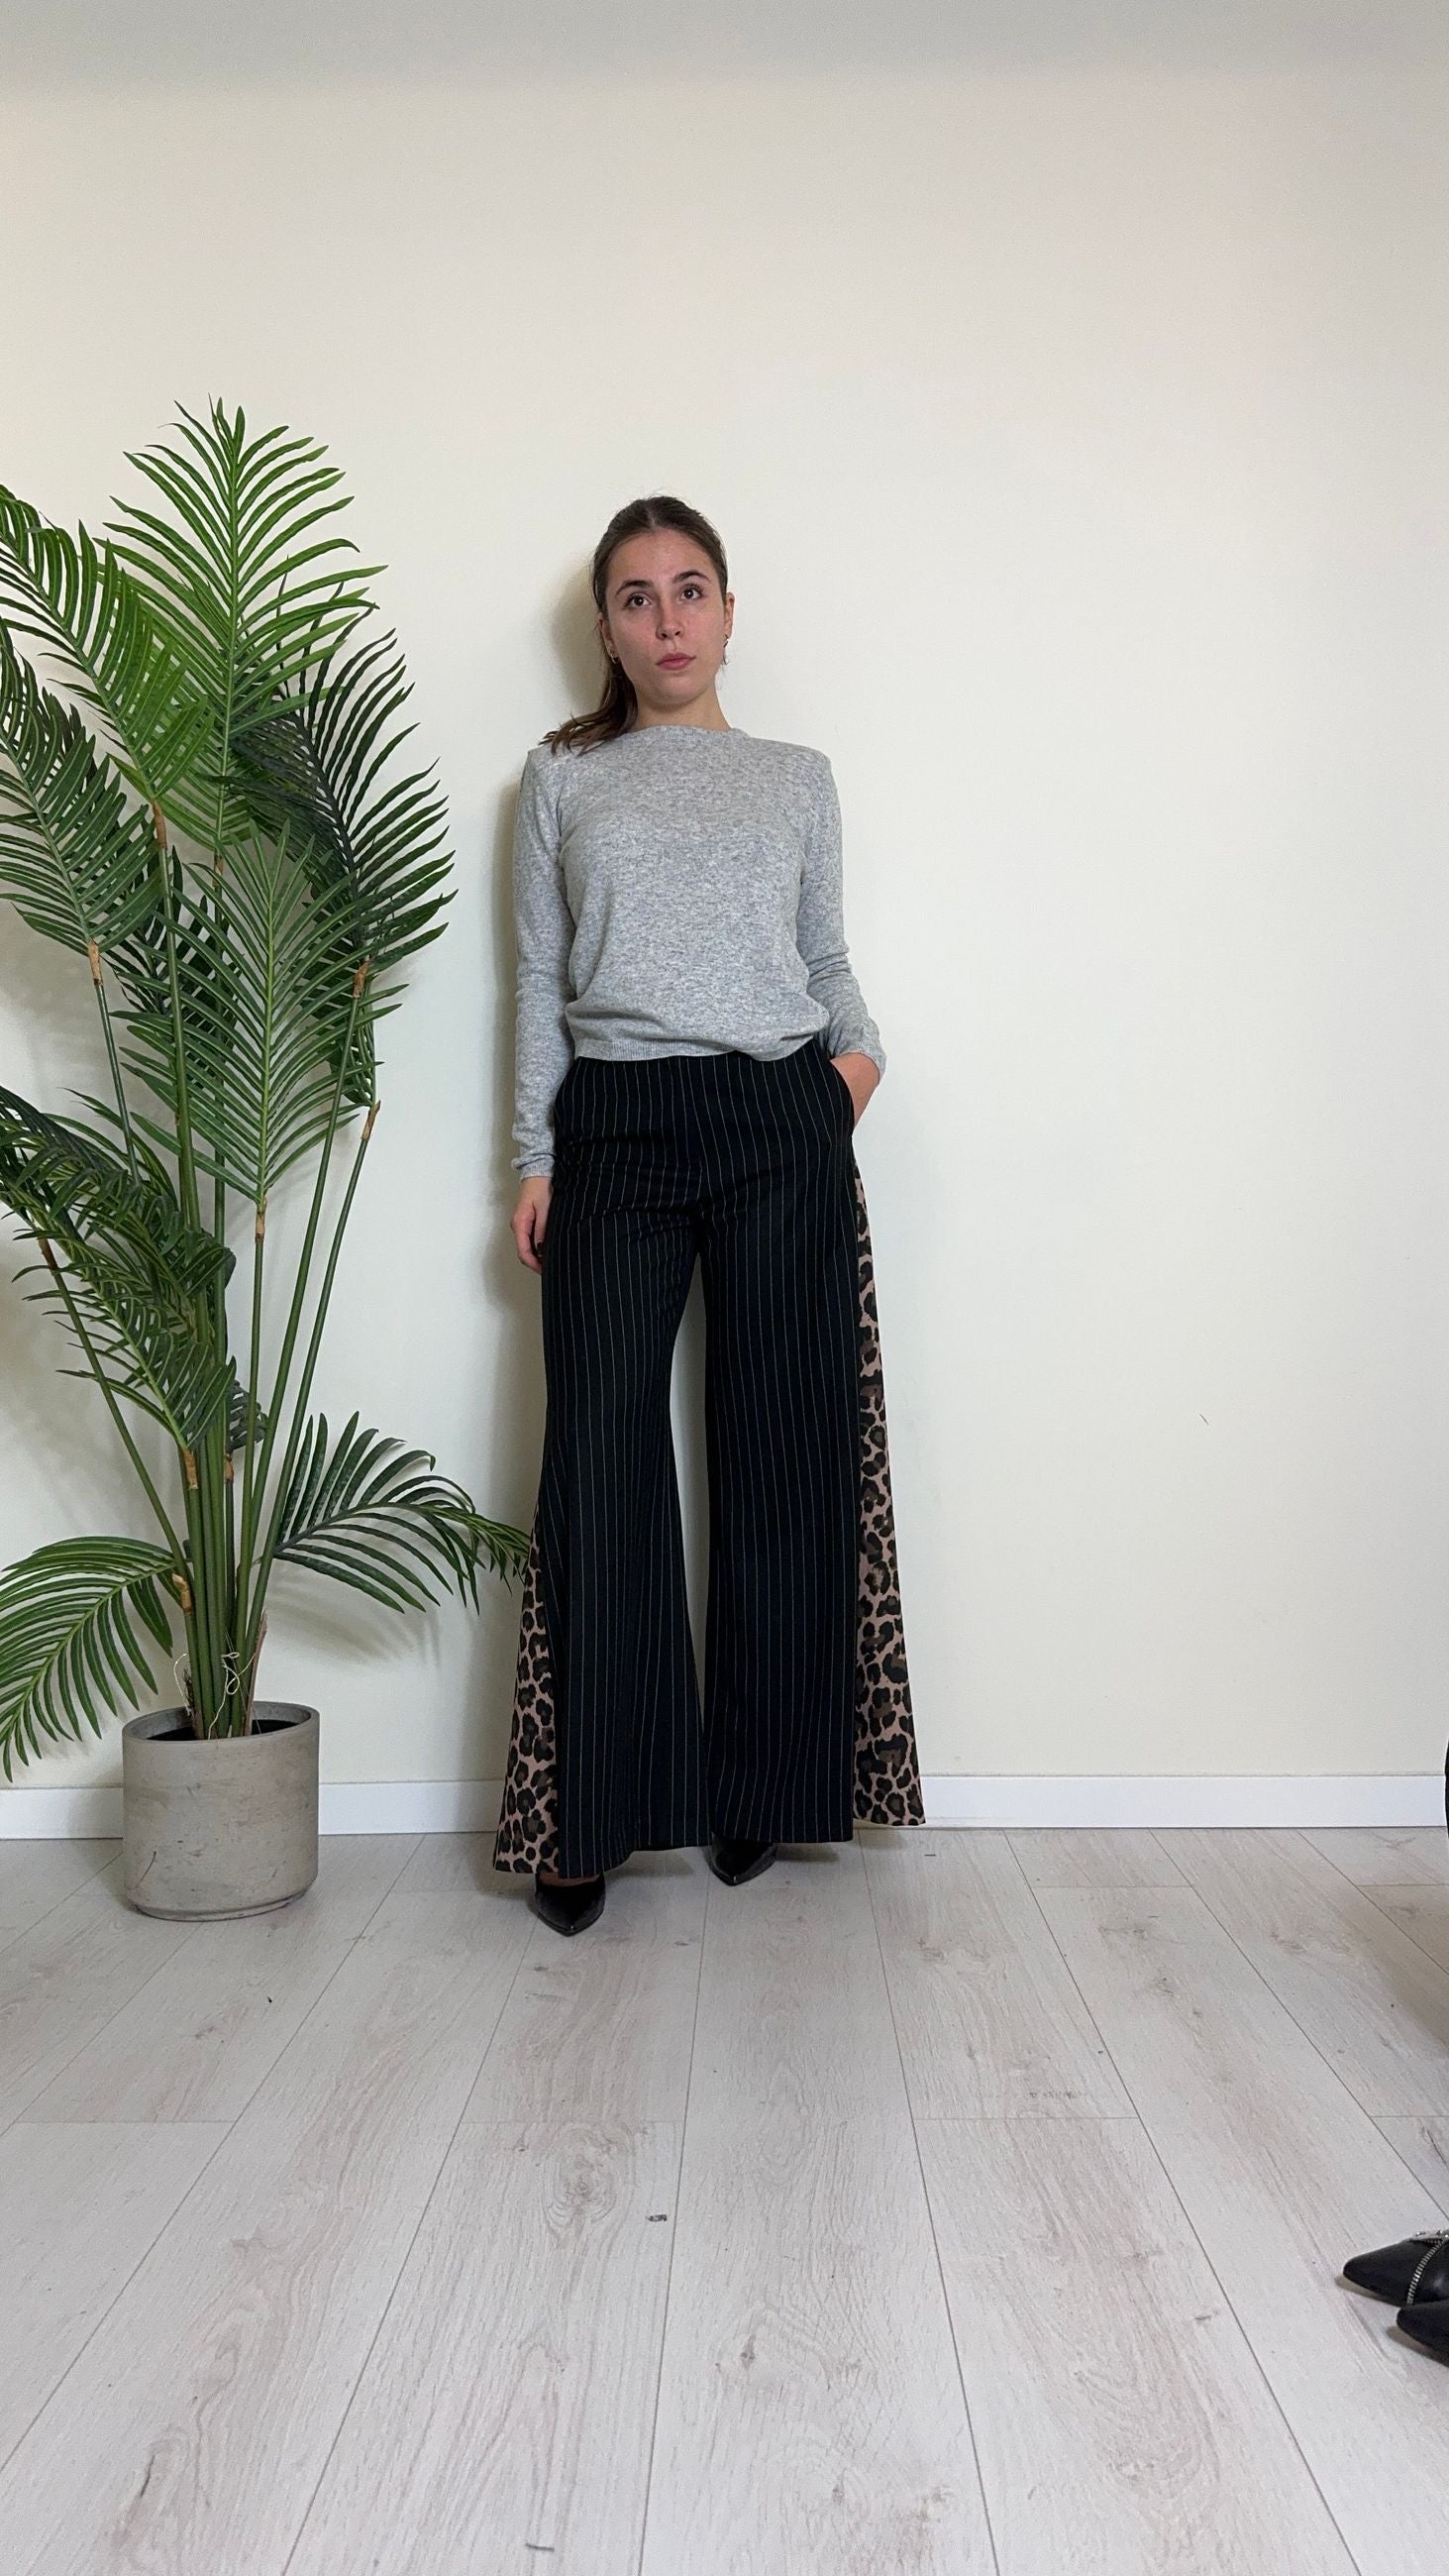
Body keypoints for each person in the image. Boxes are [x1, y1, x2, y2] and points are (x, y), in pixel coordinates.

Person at [492, 494, 923, 1934]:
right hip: (614, 1126)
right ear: (607, 629)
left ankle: (762, 1790)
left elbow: (827, 960)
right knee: (600, 1462)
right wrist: (533, 1156)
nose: (667, 620)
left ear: (730, 615)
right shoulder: (562, 779)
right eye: (638, 597)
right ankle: (594, 1816)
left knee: (785, 1449)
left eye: (690, 591)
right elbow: (541, 976)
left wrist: (851, 1075)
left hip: (777, 1118)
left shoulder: (797, 778)